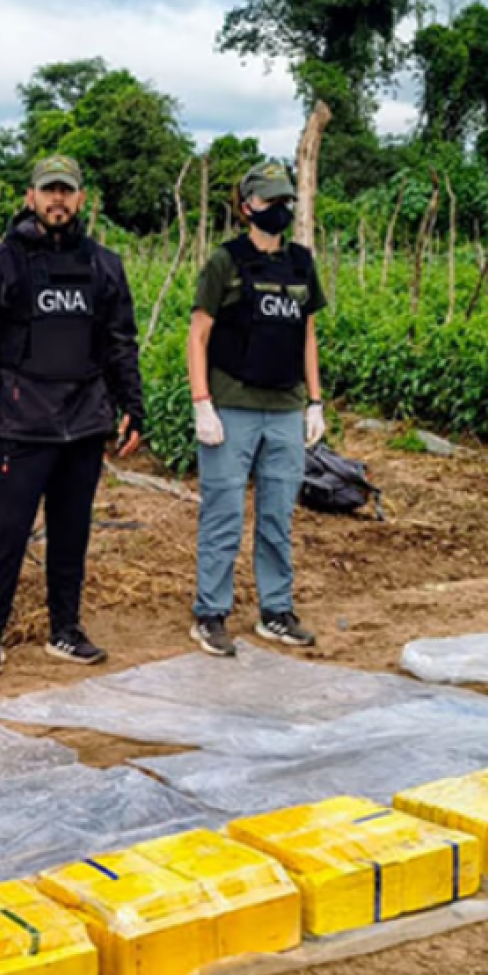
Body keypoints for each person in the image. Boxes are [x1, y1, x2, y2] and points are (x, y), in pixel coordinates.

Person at [0, 155, 145, 676]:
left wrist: (135, 407)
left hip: (85, 422)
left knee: (71, 531)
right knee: (6, 532)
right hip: (23, 421)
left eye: (67, 191)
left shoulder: (104, 264)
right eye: (48, 191)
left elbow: (121, 341)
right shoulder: (3, 262)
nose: (58, 199)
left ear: (81, 199)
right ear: (30, 197)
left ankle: (66, 628)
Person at [184, 160, 326, 657]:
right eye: (269, 201)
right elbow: (198, 335)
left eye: (286, 199)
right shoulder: (226, 262)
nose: (279, 209)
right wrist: (202, 403)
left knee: (277, 515)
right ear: (247, 206)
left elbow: (307, 334)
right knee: (223, 514)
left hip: (285, 407)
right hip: (233, 406)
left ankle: (276, 611)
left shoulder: (301, 263)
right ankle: (210, 613)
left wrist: (315, 402)